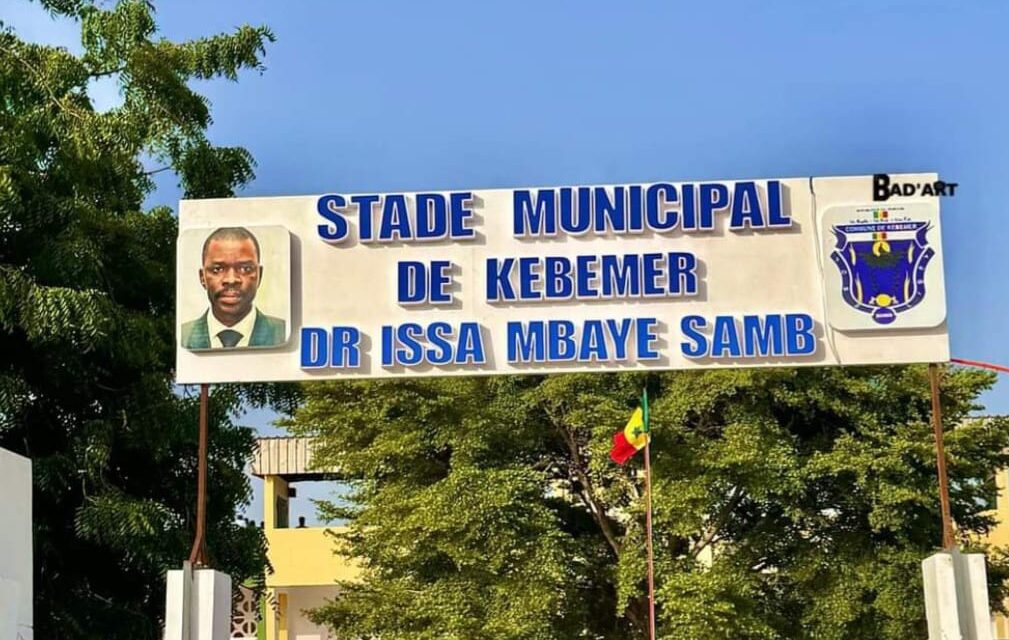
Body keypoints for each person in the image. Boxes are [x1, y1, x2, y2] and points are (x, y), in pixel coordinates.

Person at [181, 226, 286, 349]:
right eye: (217, 269)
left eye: (245, 269)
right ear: (202, 277)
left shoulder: (284, 333)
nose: (231, 280)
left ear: (259, 275)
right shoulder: (183, 336)